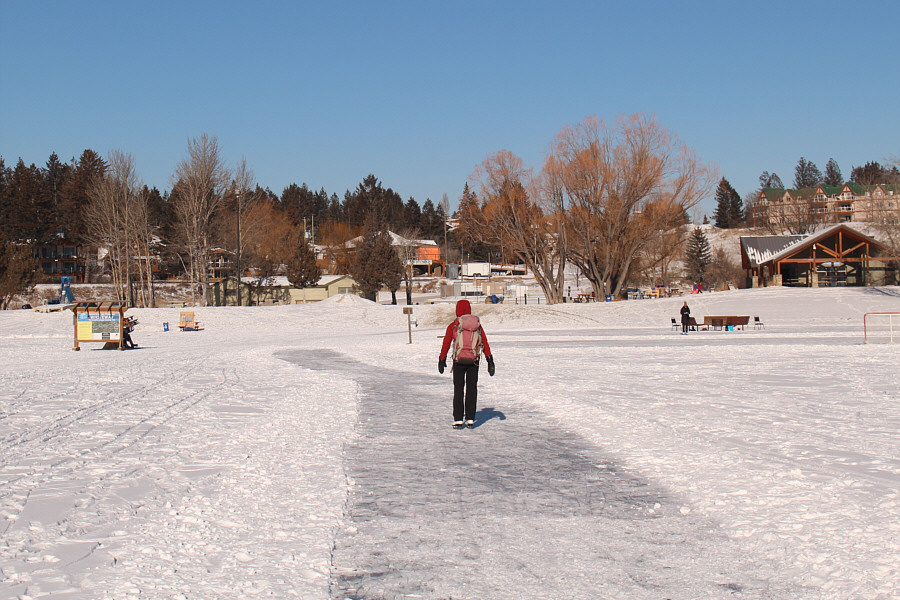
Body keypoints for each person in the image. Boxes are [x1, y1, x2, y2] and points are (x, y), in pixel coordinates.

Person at [438, 299, 494, 428]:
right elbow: (484, 342)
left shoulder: (454, 325)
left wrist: (442, 359)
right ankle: (470, 418)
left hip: (458, 361)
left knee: (458, 389)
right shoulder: (477, 325)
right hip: (474, 361)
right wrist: (490, 360)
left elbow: (446, 343)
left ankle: (458, 418)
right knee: (472, 388)